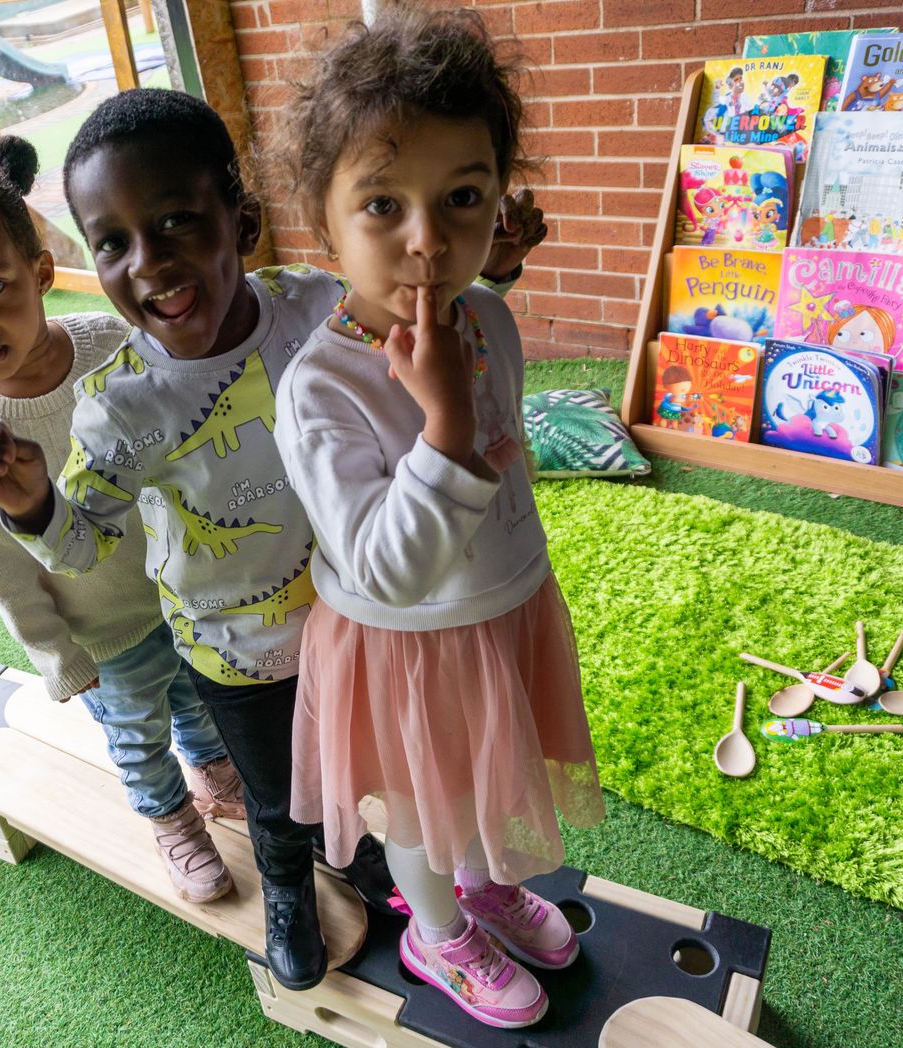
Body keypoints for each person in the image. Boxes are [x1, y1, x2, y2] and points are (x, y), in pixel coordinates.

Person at [0, 89, 544, 992]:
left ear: (245, 221)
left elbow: (421, 328)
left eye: (177, 221)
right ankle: (285, 887)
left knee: (376, 773)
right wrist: (35, 505)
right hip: (237, 649)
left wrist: (487, 269)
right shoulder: (119, 408)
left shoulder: (313, 309)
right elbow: (80, 547)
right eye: (111, 241)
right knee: (277, 800)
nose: (147, 261)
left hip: (358, 623)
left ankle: (371, 866)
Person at [271, 8, 605, 1029]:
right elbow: (386, 564)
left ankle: (479, 881)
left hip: (500, 606)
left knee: (478, 783)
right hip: (407, 643)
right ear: (323, 226)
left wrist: (489, 288)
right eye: (382, 205)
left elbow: (474, 285)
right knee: (419, 804)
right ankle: (434, 925)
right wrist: (447, 424)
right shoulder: (319, 387)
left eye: (463, 196)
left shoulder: (483, 313)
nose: (430, 240)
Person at [0, 135, 244, 906]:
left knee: (199, 698)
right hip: (103, 629)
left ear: (42, 271)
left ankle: (215, 771)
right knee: (138, 735)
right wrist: (57, 654)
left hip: (185, 591)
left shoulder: (113, 345)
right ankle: (173, 821)